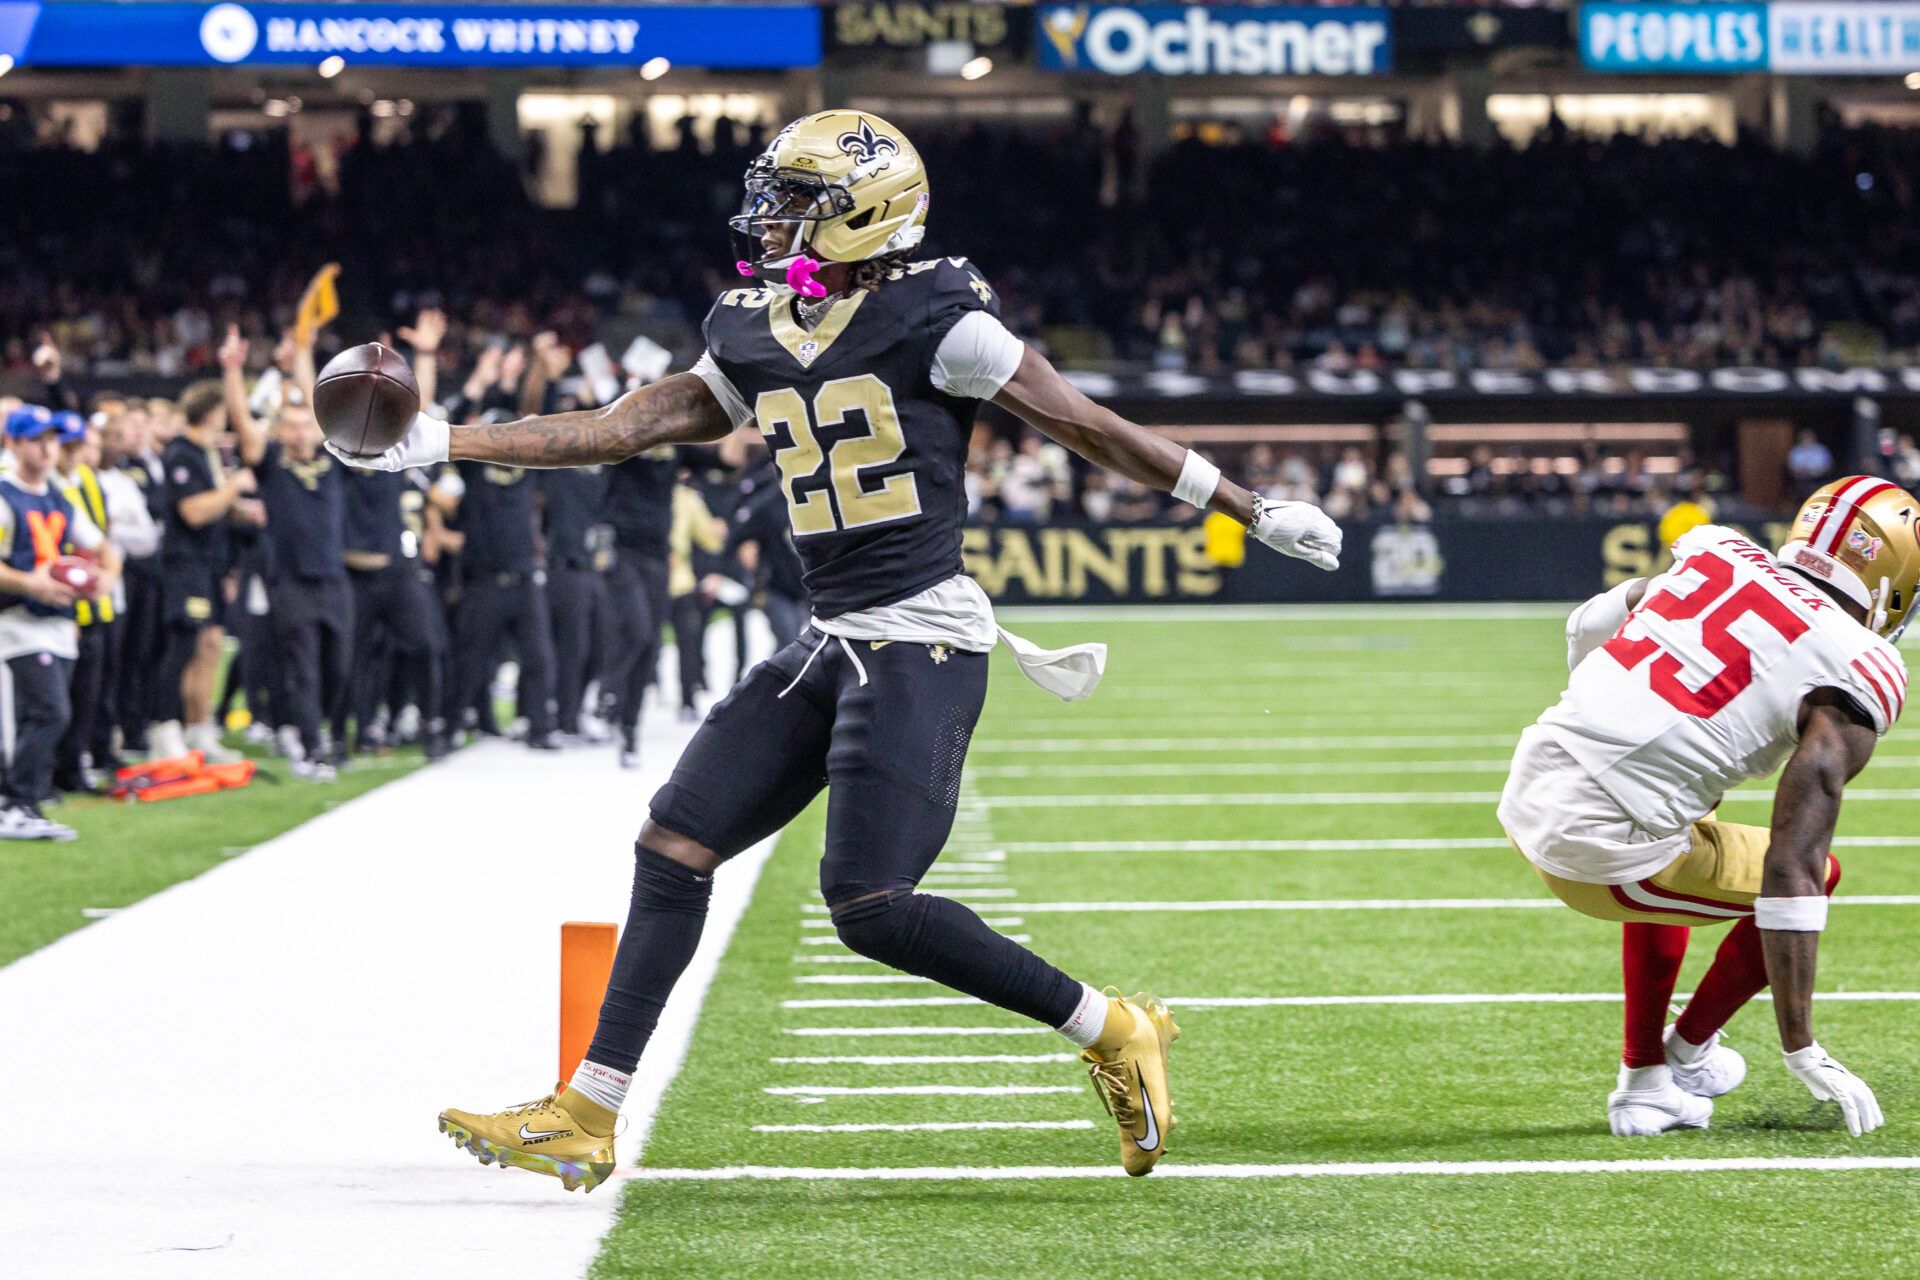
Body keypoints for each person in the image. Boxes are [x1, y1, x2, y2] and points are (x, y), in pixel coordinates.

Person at [328, 110, 1341, 1189]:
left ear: (868, 212)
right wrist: (443, 439)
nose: (769, 219)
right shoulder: (754, 325)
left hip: (923, 640)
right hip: (833, 635)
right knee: (674, 843)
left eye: (797, 201)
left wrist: (1247, 505)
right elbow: (622, 426)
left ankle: (1111, 1026)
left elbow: (1086, 424)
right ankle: (588, 1110)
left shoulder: (940, 317)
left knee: (871, 906)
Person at [1499, 476, 1915, 1138]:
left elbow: (1586, 624)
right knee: (1819, 872)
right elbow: (1794, 867)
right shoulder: (1862, 663)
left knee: (1690, 818)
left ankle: (1647, 1082)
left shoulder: (1720, 549)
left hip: (1530, 780)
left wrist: (1606, 720)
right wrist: (1801, 1046)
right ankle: (1683, 1055)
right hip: (1600, 852)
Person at [221, 327, 350, 780]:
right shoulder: (272, 463)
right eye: (290, 425)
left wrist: (305, 354)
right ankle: (310, 748)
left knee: (339, 667)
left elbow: (319, 401)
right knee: (304, 668)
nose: (298, 431)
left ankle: (321, 732)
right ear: (278, 429)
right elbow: (243, 425)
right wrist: (232, 371)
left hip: (334, 579)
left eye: (305, 424)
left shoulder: (333, 459)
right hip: (290, 581)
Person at [0, 406, 122, 839]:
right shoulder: (5, 495)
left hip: (58, 620)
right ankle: (16, 803)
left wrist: (105, 578)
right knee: (50, 711)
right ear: (13, 444)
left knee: (48, 715)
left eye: (51, 439)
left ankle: (25, 802)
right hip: (17, 620)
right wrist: (28, 583)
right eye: (36, 439)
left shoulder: (58, 496)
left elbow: (106, 549)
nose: (48, 448)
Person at [439, 411, 558, 751]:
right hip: (484, 582)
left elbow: (546, 426)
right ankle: (451, 727)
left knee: (539, 658)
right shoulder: (474, 467)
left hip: (525, 579)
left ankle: (539, 728)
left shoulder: (528, 468)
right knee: (470, 660)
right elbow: (452, 431)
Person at [151, 381, 251, 763]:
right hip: (185, 564)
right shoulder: (182, 452)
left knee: (210, 646)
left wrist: (238, 509)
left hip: (210, 565)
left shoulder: (207, 452)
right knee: (183, 647)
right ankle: (165, 728)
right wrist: (233, 488)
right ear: (212, 413)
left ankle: (199, 729)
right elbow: (193, 512)